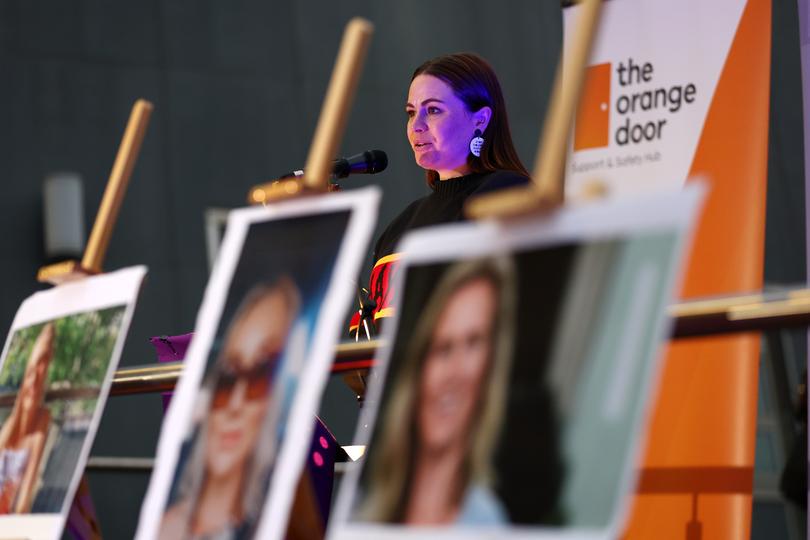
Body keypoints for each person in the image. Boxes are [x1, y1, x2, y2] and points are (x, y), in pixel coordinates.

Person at [355, 52, 530, 334]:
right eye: (411, 112)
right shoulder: (399, 226)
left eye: (433, 110)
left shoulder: (507, 195)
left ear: (481, 119)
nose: (417, 125)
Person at [359, 258, 516, 524]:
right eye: (443, 348)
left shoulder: (488, 524)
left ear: (491, 368)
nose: (454, 373)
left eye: (473, 344)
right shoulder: (364, 507)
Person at [159, 277, 301, 540]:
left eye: (259, 375)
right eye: (227, 377)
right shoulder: (165, 528)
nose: (235, 405)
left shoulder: (273, 522)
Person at [0, 322, 56, 514]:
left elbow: (24, 497)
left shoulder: (42, 420)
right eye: (34, 366)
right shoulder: (11, 424)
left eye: (44, 364)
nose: (37, 375)